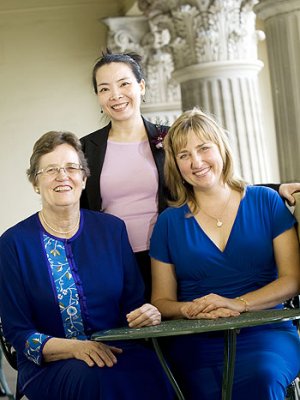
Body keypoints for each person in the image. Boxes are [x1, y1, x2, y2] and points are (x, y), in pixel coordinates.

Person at [80, 50, 300, 302]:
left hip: (170, 254)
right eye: (104, 89)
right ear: (98, 96)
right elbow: (80, 209)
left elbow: (211, 180)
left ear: (141, 86)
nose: (116, 95)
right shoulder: (85, 149)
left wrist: (275, 188)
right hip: (114, 261)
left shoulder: (173, 138)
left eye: (124, 84)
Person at [0, 131, 174, 400]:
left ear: (83, 177)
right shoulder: (12, 244)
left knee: (157, 371)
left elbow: (133, 304)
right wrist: (75, 349)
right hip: (49, 365)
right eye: (50, 170)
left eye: (71, 167)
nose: (63, 176)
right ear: (35, 182)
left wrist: (146, 313)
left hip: (117, 352)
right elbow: (18, 332)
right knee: (93, 379)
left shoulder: (112, 230)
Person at [149, 108, 300, 400]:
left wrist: (237, 304)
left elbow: (292, 280)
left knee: (263, 375)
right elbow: (161, 301)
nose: (196, 162)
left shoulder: (266, 201)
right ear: (175, 165)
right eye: (184, 155)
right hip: (198, 339)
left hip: (266, 331)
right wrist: (189, 309)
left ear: (221, 149)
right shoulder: (168, 222)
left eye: (204, 148)